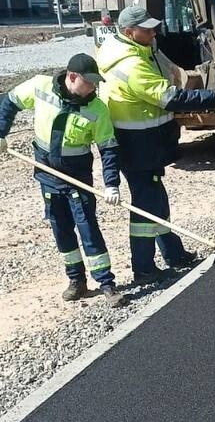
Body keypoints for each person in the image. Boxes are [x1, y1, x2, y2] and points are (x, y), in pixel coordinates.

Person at [97, 5, 215, 284]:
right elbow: (168, 97)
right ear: (128, 32)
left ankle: (174, 254)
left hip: (146, 142)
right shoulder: (131, 65)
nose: (153, 32)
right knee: (146, 206)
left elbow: (170, 75)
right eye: (146, 29)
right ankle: (144, 269)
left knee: (156, 200)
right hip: (137, 145)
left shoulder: (140, 49)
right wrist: (214, 96)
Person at [0, 53, 126, 306]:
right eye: (89, 82)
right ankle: (76, 281)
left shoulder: (96, 109)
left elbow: (108, 148)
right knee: (62, 231)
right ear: (72, 77)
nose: (94, 87)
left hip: (77, 178)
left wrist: (111, 183)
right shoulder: (40, 86)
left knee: (88, 229)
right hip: (47, 175)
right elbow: (9, 102)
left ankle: (107, 283)